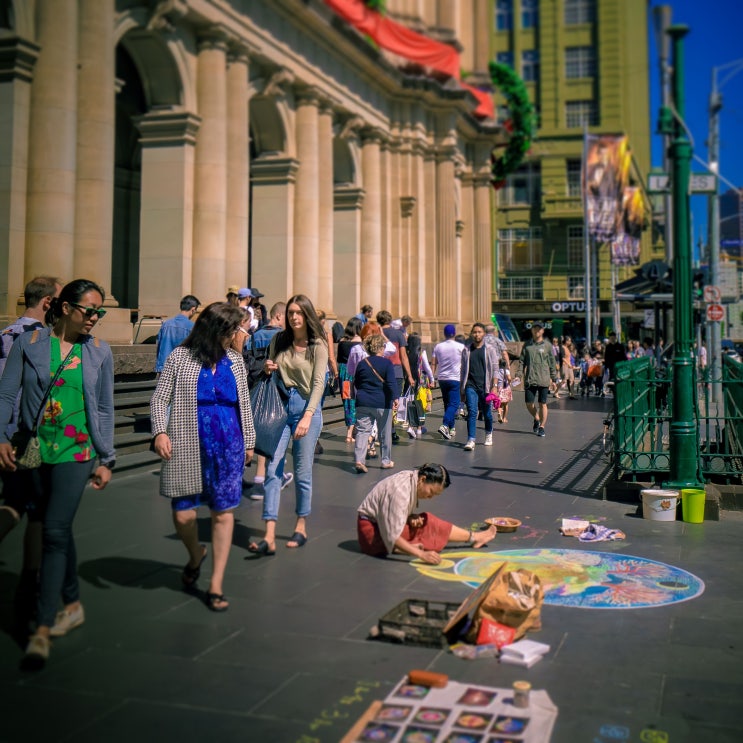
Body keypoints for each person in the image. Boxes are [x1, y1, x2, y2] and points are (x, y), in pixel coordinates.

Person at [0, 279, 115, 667]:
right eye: (89, 310)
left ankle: (43, 628)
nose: (95, 318)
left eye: (100, 312)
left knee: (52, 531)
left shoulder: (99, 352)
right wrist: (1, 436)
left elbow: (103, 408)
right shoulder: (28, 344)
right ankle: (73, 601)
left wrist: (106, 457)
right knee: (54, 525)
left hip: (77, 451)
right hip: (34, 448)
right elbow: (5, 393)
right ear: (65, 308)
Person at [151, 302, 255, 614]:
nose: (239, 334)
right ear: (217, 329)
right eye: (234, 329)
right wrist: (159, 431)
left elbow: (244, 404)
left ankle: (216, 583)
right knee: (183, 514)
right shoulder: (180, 358)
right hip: (186, 444)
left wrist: (249, 441)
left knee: (223, 514)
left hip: (228, 446)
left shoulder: (235, 361)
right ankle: (196, 554)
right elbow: (160, 398)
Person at [0, 276, 61, 628]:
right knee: (34, 510)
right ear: (50, 303)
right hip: (30, 436)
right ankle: (30, 583)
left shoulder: (5, 334)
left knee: (17, 501)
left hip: (6, 433)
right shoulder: (40, 341)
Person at [248, 294, 328, 554]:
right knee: (272, 470)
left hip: (307, 408)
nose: (294, 317)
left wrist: (307, 416)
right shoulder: (279, 341)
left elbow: (319, 383)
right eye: (291, 312)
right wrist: (269, 369)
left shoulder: (318, 345)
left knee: (303, 473)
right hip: (280, 407)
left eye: (299, 313)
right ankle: (269, 535)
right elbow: (269, 373)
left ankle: (301, 524)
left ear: (307, 315)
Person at [357, 463, 497, 563]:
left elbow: (391, 514)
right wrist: (421, 555)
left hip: (378, 528)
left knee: (424, 522)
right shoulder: (400, 491)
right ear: (423, 479)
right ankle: (475, 537)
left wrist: (409, 517)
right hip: (372, 536)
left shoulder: (410, 478)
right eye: (431, 492)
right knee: (429, 525)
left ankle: (474, 537)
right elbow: (391, 535)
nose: (430, 497)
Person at [352, 334, 397, 473]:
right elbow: (391, 383)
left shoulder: (362, 363)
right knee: (385, 432)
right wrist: (395, 398)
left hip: (363, 401)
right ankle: (386, 461)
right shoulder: (387, 363)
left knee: (362, 431)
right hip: (382, 402)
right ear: (381, 348)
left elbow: (357, 382)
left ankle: (359, 460)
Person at [460, 323, 499, 451]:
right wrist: (462, 388)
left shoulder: (490, 349)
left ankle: (489, 433)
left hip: (486, 386)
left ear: (484, 334)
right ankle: (471, 439)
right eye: (475, 332)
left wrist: (494, 386)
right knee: (472, 411)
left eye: (479, 332)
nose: (477, 334)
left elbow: (495, 368)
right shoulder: (466, 350)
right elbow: (463, 369)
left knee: (487, 413)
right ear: (471, 334)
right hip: (471, 385)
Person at [518, 320, 558, 437]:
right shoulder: (527, 345)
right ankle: (537, 418)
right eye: (535, 328)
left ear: (542, 331)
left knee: (542, 403)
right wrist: (519, 374)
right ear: (532, 330)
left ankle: (542, 427)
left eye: (539, 329)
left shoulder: (547, 345)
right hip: (530, 378)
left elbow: (552, 362)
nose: (537, 331)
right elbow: (521, 361)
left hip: (543, 379)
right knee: (529, 403)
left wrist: (554, 377)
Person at [432, 324, 465, 441]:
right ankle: (445, 425)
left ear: (444, 334)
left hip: (442, 378)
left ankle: (452, 428)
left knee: (447, 403)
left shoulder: (438, 347)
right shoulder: (460, 347)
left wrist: (432, 377)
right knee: (454, 403)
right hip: (455, 378)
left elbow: (434, 363)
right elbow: (465, 363)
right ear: (454, 334)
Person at [155, 295, 200, 373]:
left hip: (164, 367)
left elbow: (159, 346)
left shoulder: (166, 324)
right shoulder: (192, 327)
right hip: (183, 369)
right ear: (193, 309)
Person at [337, 317, 363, 444]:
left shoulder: (342, 341)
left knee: (347, 401)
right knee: (353, 402)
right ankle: (350, 433)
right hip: (353, 373)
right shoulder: (359, 342)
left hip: (343, 373)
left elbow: (339, 359)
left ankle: (351, 430)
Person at [405, 332, 433, 439]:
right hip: (420, 382)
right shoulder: (421, 353)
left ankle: (410, 426)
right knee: (420, 404)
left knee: (410, 403)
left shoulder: (406, 352)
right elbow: (427, 367)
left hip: (408, 380)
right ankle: (419, 428)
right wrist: (432, 379)